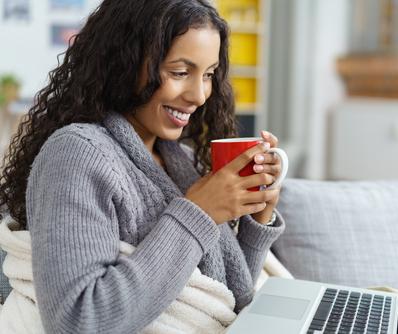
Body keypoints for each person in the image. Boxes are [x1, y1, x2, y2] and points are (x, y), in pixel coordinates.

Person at [0, 0, 285, 332]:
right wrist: (199, 213)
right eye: (180, 72)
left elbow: (226, 298)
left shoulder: (179, 160)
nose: (199, 95)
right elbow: (79, 320)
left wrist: (257, 215)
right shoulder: (77, 152)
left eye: (208, 75)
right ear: (125, 62)